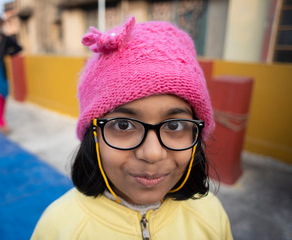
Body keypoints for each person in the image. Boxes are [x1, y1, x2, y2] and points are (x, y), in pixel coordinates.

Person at [31, 16, 233, 239]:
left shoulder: (210, 216)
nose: (152, 154)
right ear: (94, 134)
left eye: (174, 125)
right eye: (124, 125)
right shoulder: (59, 228)